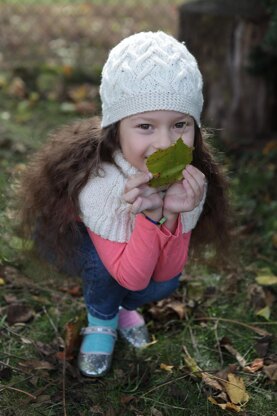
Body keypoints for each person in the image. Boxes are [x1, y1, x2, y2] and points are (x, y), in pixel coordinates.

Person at [19, 31, 230, 377]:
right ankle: (101, 319)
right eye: (145, 126)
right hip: (81, 245)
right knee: (107, 275)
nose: (165, 143)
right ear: (117, 129)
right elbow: (128, 275)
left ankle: (119, 308)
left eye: (180, 124)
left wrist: (174, 212)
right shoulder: (101, 185)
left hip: (136, 263)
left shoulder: (191, 181)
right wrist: (150, 217)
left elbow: (166, 276)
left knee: (160, 286)